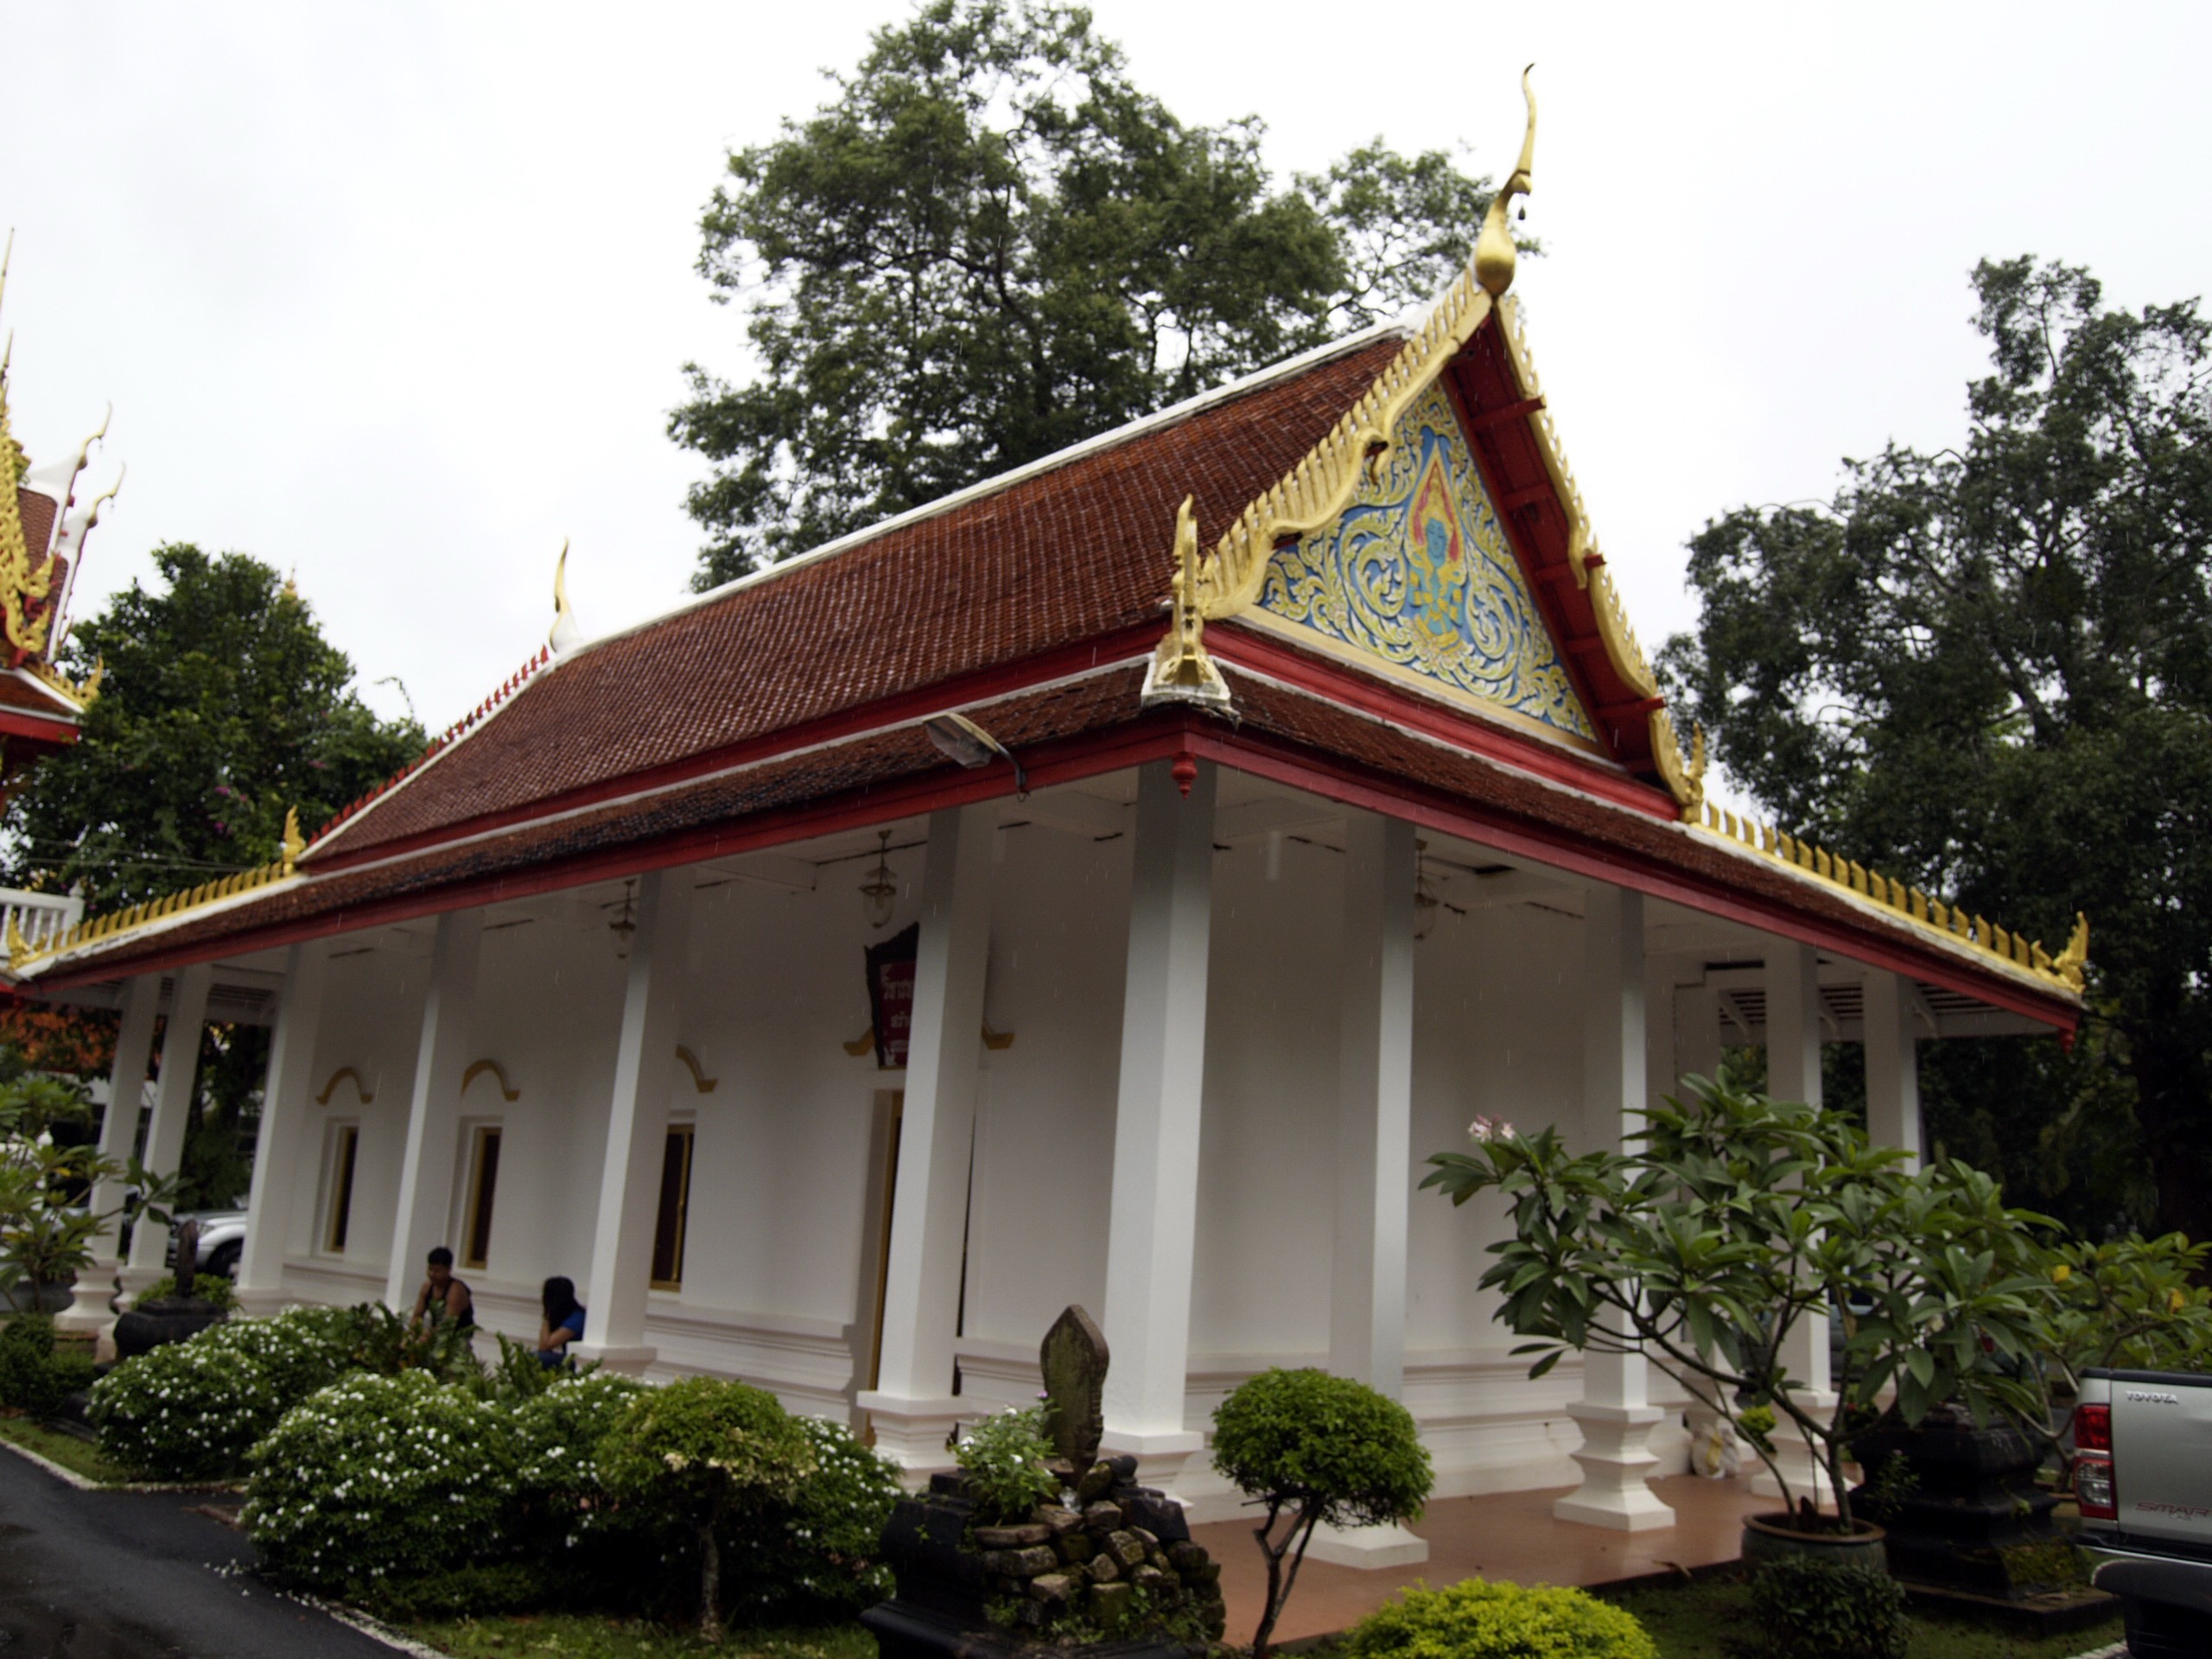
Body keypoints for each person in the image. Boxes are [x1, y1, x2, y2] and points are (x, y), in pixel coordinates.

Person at [410, 1246, 475, 1330]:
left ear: (448, 1269)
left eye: (437, 1271)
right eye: (430, 1269)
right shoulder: (427, 1287)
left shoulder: (456, 1290)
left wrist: (428, 1336)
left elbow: (448, 1325)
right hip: (434, 1334)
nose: (432, 1274)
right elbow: (417, 1315)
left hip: (456, 1338)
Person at [537, 1275, 585, 1368]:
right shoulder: (563, 1316)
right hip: (567, 1358)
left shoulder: (577, 1318)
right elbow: (543, 1346)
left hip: (576, 1361)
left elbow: (546, 1345)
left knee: (538, 1358)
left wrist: (547, 1316)